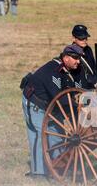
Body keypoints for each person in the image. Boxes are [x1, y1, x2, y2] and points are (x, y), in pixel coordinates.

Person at [21, 45, 84, 177]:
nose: (78, 61)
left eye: (79, 58)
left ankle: (58, 167)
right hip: (35, 103)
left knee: (58, 135)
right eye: (75, 58)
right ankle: (38, 172)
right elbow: (59, 97)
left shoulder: (76, 69)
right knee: (39, 135)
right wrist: (77, 107)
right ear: (65, 58)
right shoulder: (54, 71)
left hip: (53, 105)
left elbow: (79, 89)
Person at [71, 24, 97, 89]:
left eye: (86, 37)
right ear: (74, 38)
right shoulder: (70, 52)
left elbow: (93, 68)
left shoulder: (88, 49)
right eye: (81, 38)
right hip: (79, 86)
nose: (84, 40)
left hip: (92, 85)